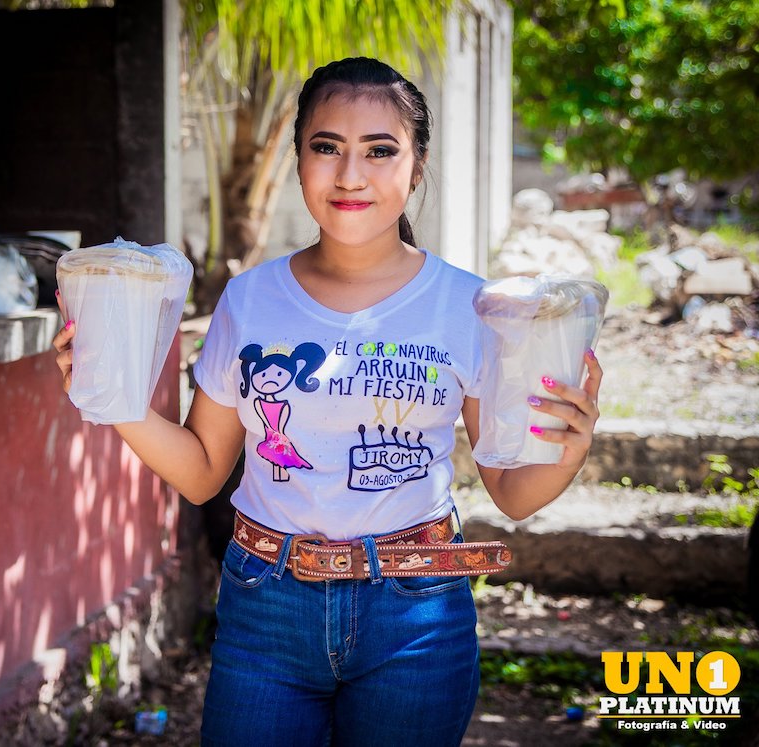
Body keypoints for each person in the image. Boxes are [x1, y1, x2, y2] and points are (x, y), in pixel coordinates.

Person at [53, 56, 602, 747]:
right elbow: (200, 473)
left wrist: (570, 447)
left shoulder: (469, 305)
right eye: (326, 147)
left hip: (416, 615)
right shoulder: (250, 298)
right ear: (300, 159)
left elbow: (514, 493)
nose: (350, 175)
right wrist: (109, 396)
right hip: (266, 606)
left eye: (380, 150)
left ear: (417, 165)